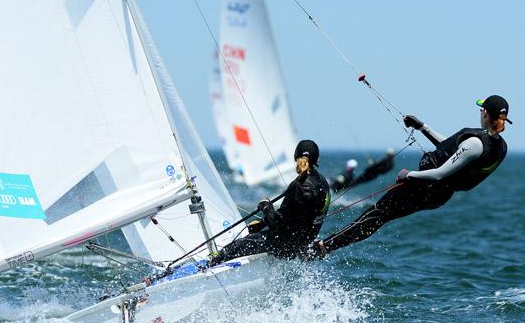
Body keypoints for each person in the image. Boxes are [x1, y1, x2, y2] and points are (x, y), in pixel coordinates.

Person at [312, 95, 510, 257]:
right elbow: (451, 149)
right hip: (436, 194)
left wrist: (410, 175)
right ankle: (325, 246)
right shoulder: (499, 146)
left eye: (481, 109)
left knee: (376, 214)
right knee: (380, 216)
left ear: (485, 113)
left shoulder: (476, 144)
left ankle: (322, 248)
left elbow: (440, 174)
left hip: (425, 187)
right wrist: (423, 127)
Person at [210, 140, 331, 265]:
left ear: (295, 156)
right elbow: (296, 215)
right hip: (303, 243)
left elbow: (278, 223)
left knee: (237, 246)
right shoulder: (323, 182)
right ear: (317, 158)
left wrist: (266, 206)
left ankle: (210, 265)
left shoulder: (299, 185)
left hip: (285, 244)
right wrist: (262, 223)